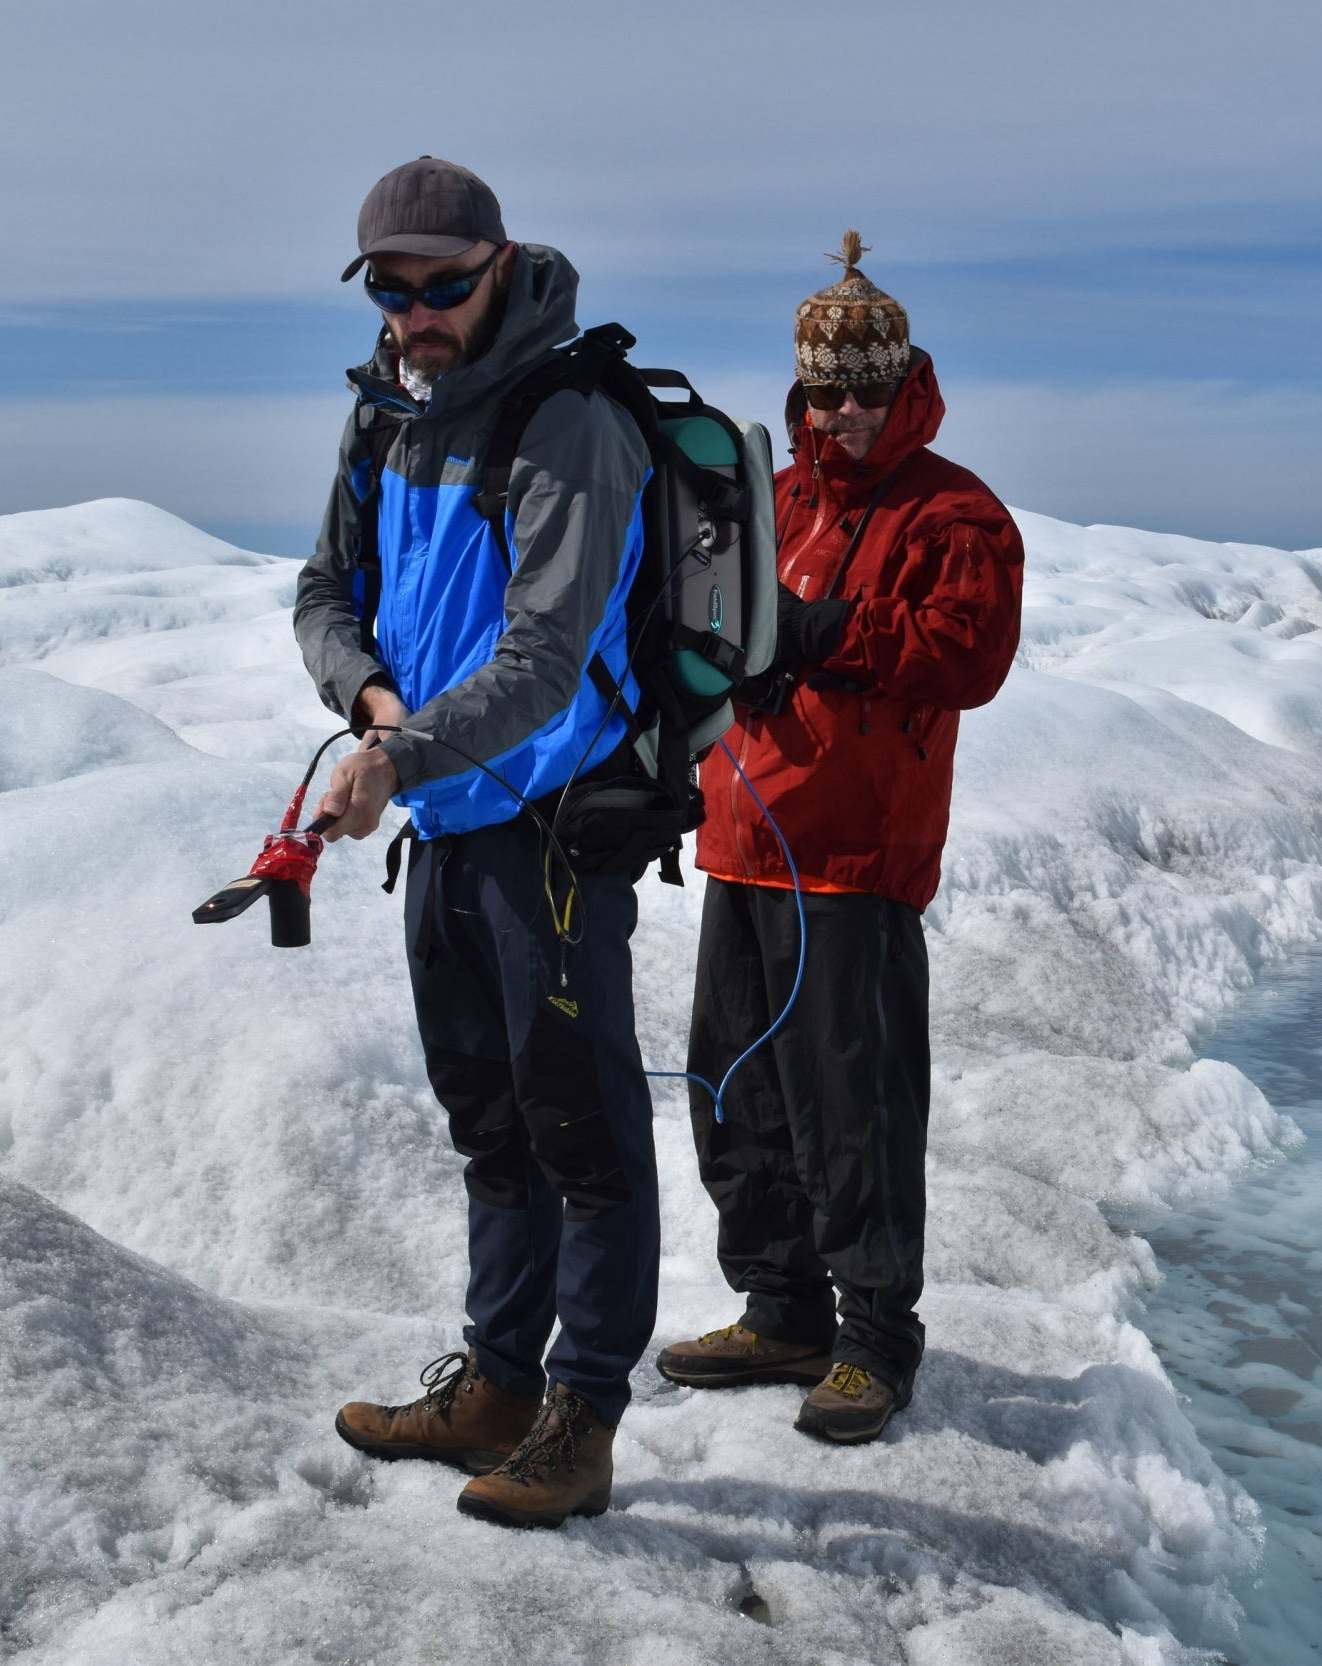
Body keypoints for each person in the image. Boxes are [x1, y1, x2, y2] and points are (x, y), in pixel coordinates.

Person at [293, 156, 659, 1527]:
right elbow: (326, 592)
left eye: (445, 285)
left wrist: (394, 752)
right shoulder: (387, 415)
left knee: (582, 1130)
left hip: (548, 828)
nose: (419, 313)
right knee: (489, 1122)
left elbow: (548, 658)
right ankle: (500, 1382)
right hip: (441, 815)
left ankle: (586, 1416)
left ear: (499, 264)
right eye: (395, 288)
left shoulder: (568, 421)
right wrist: (368, 697)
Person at [654, 232, 1024, 1443]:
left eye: (869, 386)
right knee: (737, 1088)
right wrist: (733, 669)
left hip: (855, 858)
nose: (850, 411)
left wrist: (825, 638)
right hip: (745, 831)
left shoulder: (955, 510)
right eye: (828, 389)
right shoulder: (770, 493)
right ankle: (781, 1306)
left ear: (904, 375)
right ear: (803, 389)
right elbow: (720, 610)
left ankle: (875, 1335)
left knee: (851, 1103)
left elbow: (968, 656)